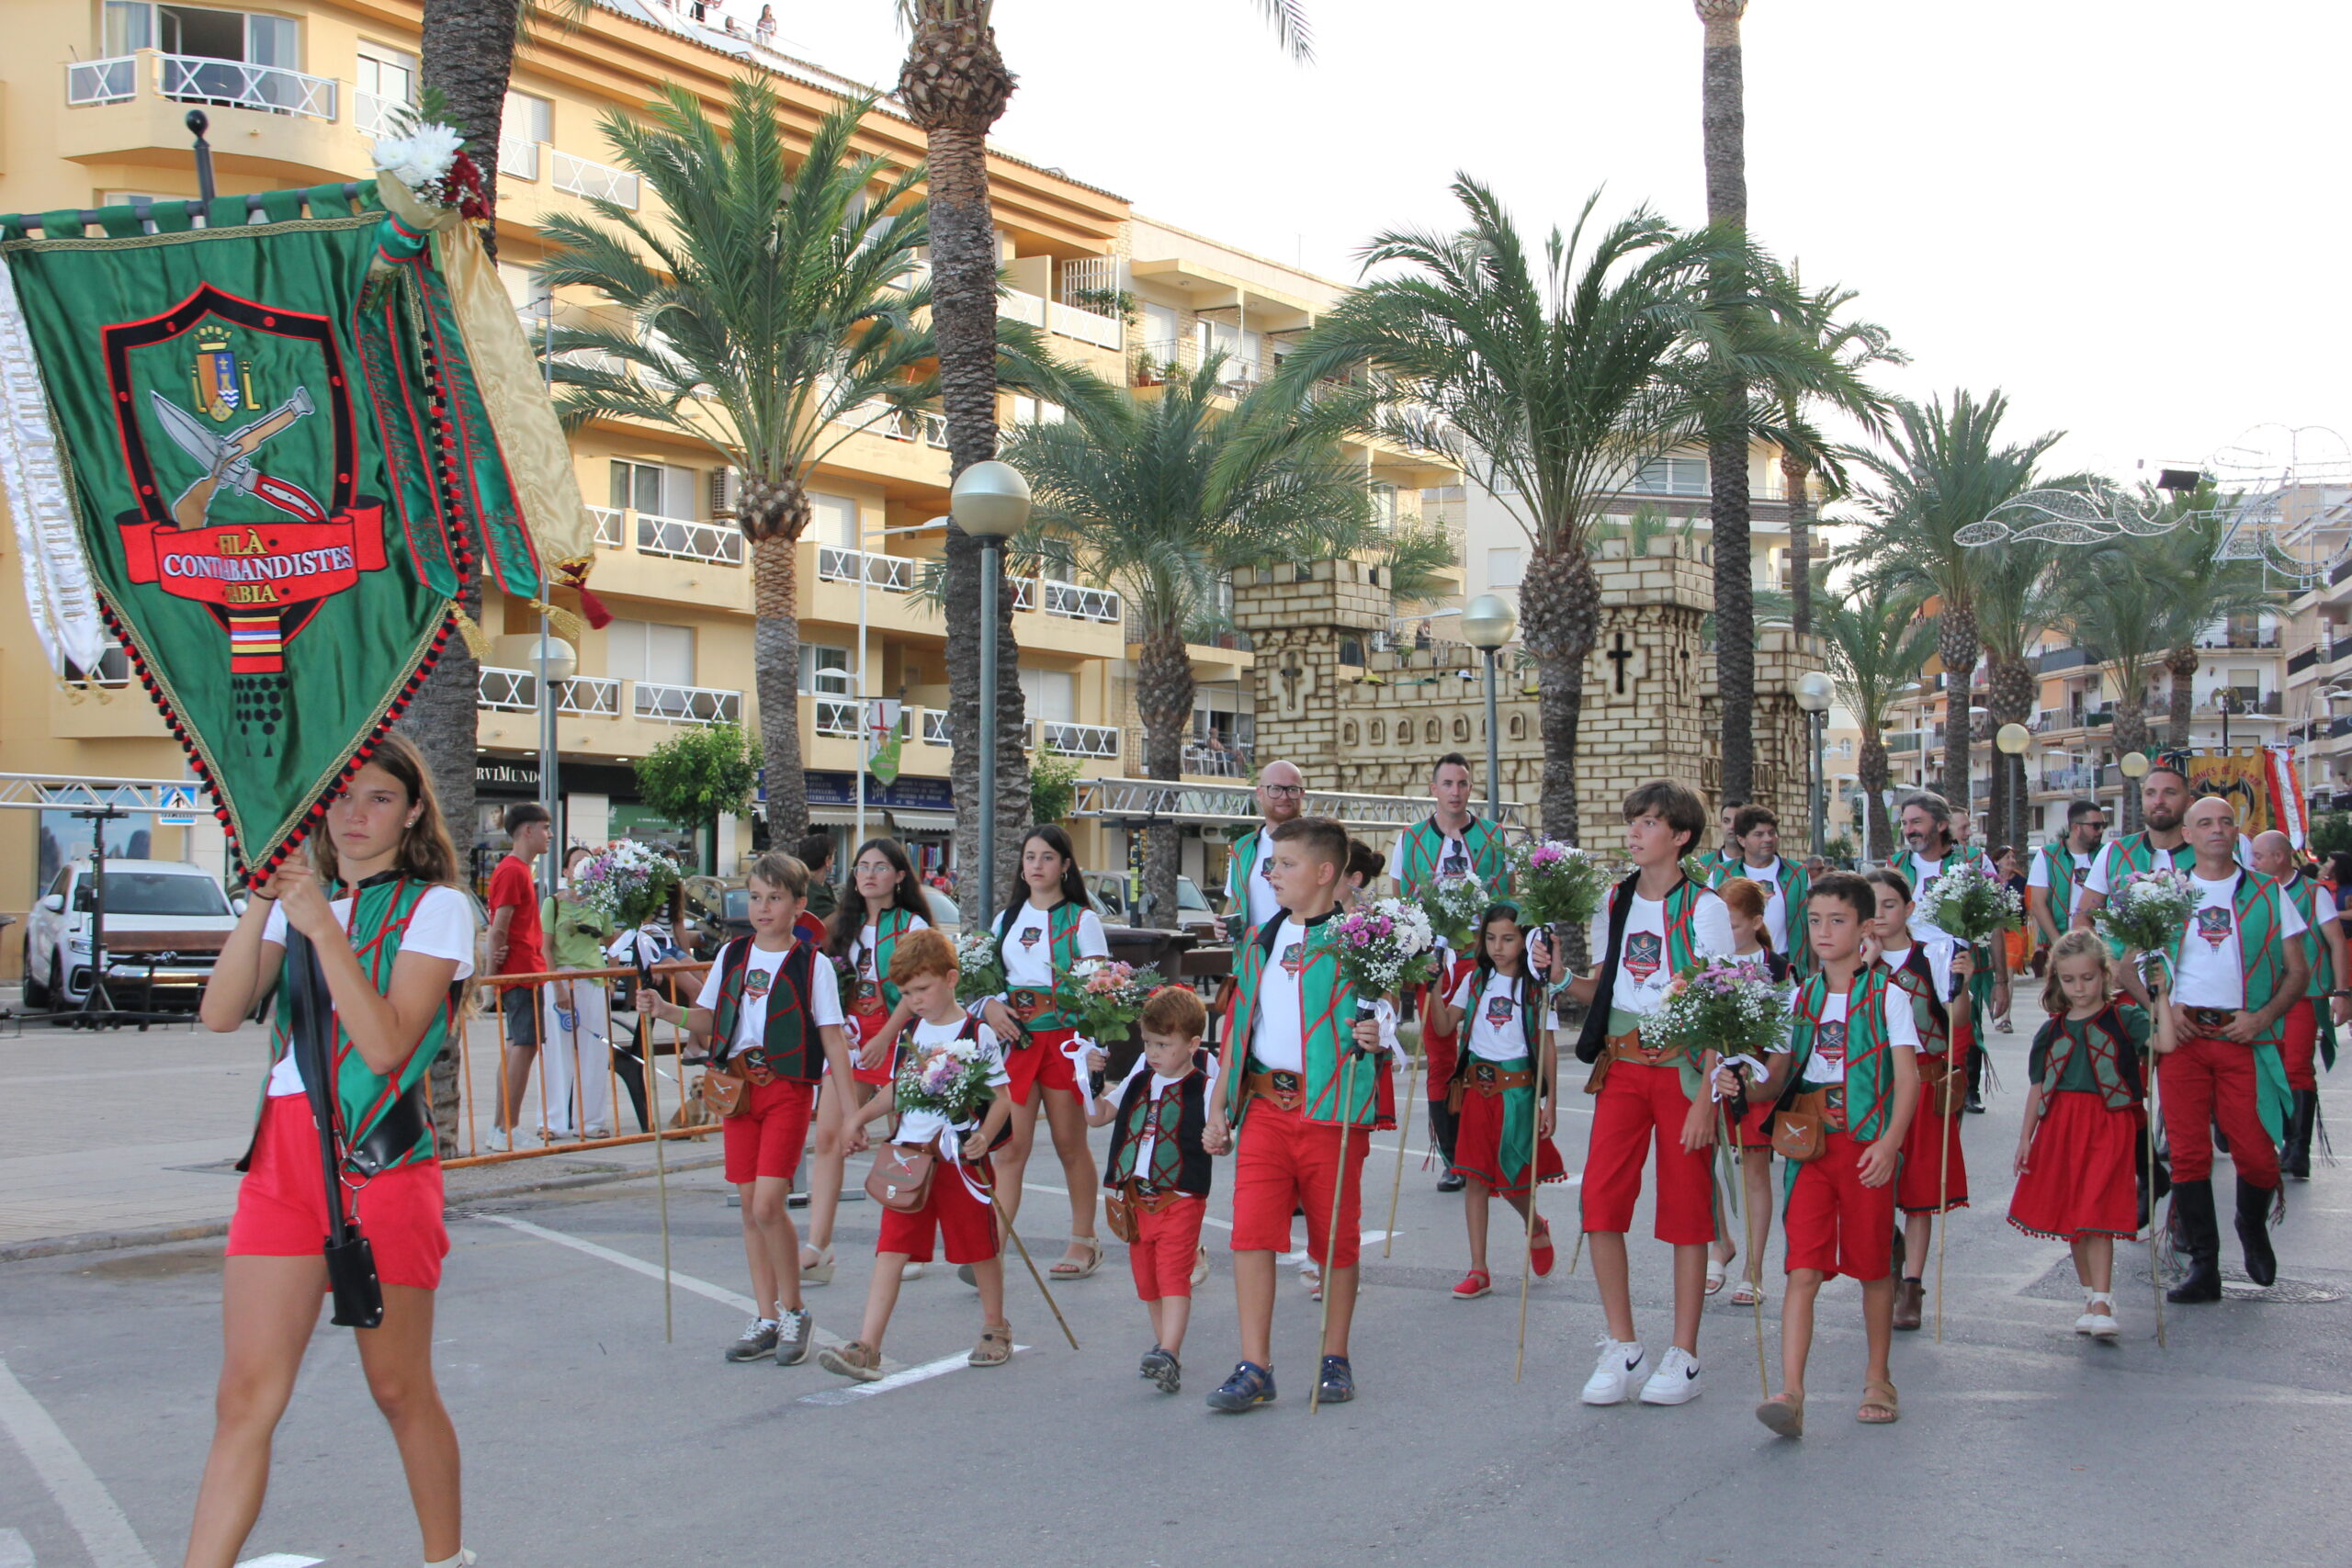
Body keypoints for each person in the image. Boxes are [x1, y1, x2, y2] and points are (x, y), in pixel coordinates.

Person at [189, 733, 478, 1568]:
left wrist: (323, 926)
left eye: (380, 797)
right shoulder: (293, 902)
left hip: (379, 1166)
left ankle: (446, 1559)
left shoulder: (436, 907)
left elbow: (387, 1045)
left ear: (414, 810)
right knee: (244, 1397)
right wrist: (263, 898)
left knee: (398, 1389)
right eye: (342, 795)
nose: (356, 814)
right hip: (280, 1167)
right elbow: (219, 1012)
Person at [1203, 816, 1388, 1412]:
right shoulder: (1259, 940)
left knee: (1335, 1239)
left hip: (1332, 1106)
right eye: (1271, 863)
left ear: (1324, 872)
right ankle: (1255, 1363)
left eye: (1285, 864)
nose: (1271, 873)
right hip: (1265, 1106)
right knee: (1252, 1235)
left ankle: (1335, 1356)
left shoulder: (1362, 940)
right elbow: (1239, 1028)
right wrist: (1218, 1108)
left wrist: (1379, 1029)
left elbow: (1386, 1015)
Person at [1561, 780, 1736, 1408]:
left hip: (1684, 1071)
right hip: (1623, 1067)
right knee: (1600, 1200)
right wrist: (1557, 974)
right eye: (1632, 821)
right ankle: (1623, 1342)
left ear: (1681, 835)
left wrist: (1705, 1099)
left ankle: (1683, 1352)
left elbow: (1723, 1005)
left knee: (1688, 1209)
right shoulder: (1614, 898)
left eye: (1649, 822)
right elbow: (1604, 988)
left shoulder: (1705, 907)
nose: (1634, 832)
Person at [643, 852, 854, 1366]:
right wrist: (664, 1008)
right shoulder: (733, 954)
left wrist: (850, 1112)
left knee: (767, 1204)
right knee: (747, 1207)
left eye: (775, 898)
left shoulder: (814, 964)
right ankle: (764, 1315)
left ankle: (795, 1311)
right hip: (737, 1087)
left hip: (785, 1087)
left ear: (798, 905)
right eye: (756, 897)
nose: (763, 908)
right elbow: (709, 1017)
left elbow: (830, 1036)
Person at [2116, 795, 2306, 1303]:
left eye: (2225, 821)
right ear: (2188, 833)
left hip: (2243, 1038)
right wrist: (2165, 1010)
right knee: (2188, 1155)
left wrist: (2262, 1017)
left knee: (2257, 1154)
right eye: (2205, 823)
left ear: (2236, 829)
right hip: (2184, 1042)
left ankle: (2252, 1227)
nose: (2217, 830)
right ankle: (2204, 1266)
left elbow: (2298, 971)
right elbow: (2124, 967)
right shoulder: (2163, 892)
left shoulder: (2266, 892)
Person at [1754, 874, 1924, 1438]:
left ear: (1864, 926)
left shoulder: (1888, 995)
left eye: (1839, 920)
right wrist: (1739, 1081)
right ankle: (1791, 1392)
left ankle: (1879, 1377)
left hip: (1865, 1149)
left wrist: (1889, 1143)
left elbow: (1907, 1079)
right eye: (1816, 920)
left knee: (1873, 1268)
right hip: (1809, 1150)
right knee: (1802, 1267)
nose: (1825, 932)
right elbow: (1775, 1075)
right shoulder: (1797, 997)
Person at [821, 928, 1018, 1379]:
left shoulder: (976, 1031)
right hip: (909, 1156)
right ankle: (867, 1345)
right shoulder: (910, 1028)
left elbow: (1002, 1097)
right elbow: (899, 1089)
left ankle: (994, 1326)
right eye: (907, 993)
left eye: (923, 989)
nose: (915, 1000)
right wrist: (859, 1118)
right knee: (890, 1249)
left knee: (978, 1247)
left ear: (951, 979)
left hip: (958, 1156)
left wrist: (985, 1137)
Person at [2010, 931, 2171, 1340]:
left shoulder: (2125, 1018)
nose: (2079, 988)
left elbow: (2165, 1042)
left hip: (2109, 1123)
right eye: (2069, 980)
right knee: (2075, 1219)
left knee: (2096, 1210)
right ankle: (2090, 1297)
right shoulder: (2052, 1030)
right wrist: (2026, 1137)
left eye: (2087, 978)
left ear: (2104, 974)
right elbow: (2038, 1085)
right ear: (2057, 981)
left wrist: (2161, 997)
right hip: (2060, 1126)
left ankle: (2102, 1298)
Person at [973, 825, 1112, 1280]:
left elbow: (1102, 990)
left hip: (1063, 1044)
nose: (1036, 866)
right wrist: (990, 1006)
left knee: (1070, 1144)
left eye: (1047, 857)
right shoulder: (1006, 919)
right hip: (1016, 1043)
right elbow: (982, 981)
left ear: (1066, 865)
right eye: (1030, 857)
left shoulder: (1081, 920)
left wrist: (1091, 1052)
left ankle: (1084, 1240)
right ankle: (991, 1246)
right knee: (1009, 1148)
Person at [802, 837, 932, 1286]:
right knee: (828, 1136)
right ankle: (819, 1246)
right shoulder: (841, 925)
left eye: (880, 866)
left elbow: (918, 988)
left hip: (902, 1037)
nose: (869, 874)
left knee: (907, 1144)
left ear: (899, 876)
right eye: (862, 867)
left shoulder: (912, 924)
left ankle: (910, 1242)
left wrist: (888, 1035)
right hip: (851, 1038)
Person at [1389, 751, 1513, 1193]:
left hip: (1482, 959)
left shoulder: (1495, 837)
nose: (1456, 792)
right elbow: (1401, 904)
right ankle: (1453, 1156)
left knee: (1486, 1054)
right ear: (1433, 789)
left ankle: (1490, 1150)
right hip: (1433, 963)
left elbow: (1508, 903)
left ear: (1470, 788)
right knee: (1441, 1058)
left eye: (1462, 784)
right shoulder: (1411, 838)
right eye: (1448, 784)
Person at [1086, 986, 1218, 1393]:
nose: (1154, 1052)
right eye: (1148, 1042)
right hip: (1135, 1198)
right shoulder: (1139, 1078)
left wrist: (1220, 1137)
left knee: (1172, 1274)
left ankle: (1170, 1351)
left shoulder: (1205, 1085)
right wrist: (1087, 1077)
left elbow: (1221, 1135)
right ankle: (1164, 1351)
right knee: (1148, 1281)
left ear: (1193, 1044)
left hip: (1180, 1196)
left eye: (1164, 1044)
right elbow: (1098, 1117)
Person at [1429, 903, 1563, 1301]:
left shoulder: (1536, 986)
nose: (1498, 947)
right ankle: (1479, 1268)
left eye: (1508, 938)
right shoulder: (1475, 981)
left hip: (1517, 1091)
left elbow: (1550, 1046)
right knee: (1473, 1177)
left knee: (1512, 1180)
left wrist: (1550, 1101)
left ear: (1524, 940)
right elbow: (1443, 1026)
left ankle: (1534, 1224)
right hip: (1475, 1090)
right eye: (1490, 939)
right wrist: (1434, 986)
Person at [1863, 867, 1967, 1333]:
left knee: (1921, 1195)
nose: (1880, 915)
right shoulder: (1856, 959)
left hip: (1924, 1087)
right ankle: (1886, 1254)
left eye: (1890, 905)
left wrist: (1963, 983)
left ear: (1908, 909)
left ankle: (1912, 1285)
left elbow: (1956, 1019)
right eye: (1872, 906)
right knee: (1875, 1184)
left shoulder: (1934, 956)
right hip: (1876, 1091)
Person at [1894, 791, 2008, 1112]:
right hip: (1910, 968)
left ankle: (1960, 1097)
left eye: (1917, 821)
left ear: (1942, 824)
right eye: (1905, 823)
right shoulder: (1897, 864)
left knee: (1960, 1039)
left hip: (1958, 966)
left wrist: (2001, 982)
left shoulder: (1974, 860)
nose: (1909, 830)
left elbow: (1995, 922)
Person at [1707, 876, 1792, 1306]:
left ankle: (1753, 1269)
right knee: (1700, 1161)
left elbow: (1785, 1037)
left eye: (1734, 924)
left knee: (1754, 1170)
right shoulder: (1708, 961)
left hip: (1756, 1076)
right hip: (1712, 1073)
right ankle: (1722, 1240)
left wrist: (1758, 1084)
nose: (1727, 933)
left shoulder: (1777, 968)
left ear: (1756, 921)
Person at [2251, 830, 2345, 1180]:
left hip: (2304, 994)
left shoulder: (2313, 893)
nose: (2252, 863)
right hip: (2262, 996)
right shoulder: (2252, 892)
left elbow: (2335, 942)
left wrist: (2343, 993)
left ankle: (2298, 1148)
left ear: (2279, 857)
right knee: (2263, 1069)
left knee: (2296, 1067)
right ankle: (2276, 1141)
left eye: (2258, 857)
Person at [484, 801, 550, 1153]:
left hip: (525, 971)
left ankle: (503, 1127)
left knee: (517, 1049)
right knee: (522, 1049)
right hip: (522, 973)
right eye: (545, 828)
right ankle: (505, 1127)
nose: (549, 835)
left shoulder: (517, 869)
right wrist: (489, 980)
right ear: (527, 830)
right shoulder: (513, 870)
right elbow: (499, 928)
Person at [539, 844, 617, 1141]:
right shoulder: (554, 904)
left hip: (593, 981)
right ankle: (554, 1121)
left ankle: (591, 1122)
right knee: (558, 1053)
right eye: (576, 863)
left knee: (594, 1053)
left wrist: (611, 978)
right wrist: (557, 986)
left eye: (587, 863)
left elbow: (612, 942)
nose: (582, 868)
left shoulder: (600, 904)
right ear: (565, 871)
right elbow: (545, 947)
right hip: (562, 979)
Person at [2073, 764, 2198, 931]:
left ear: (2189, 803)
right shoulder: (2114, 852)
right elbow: (2082, 919)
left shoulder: (2206, 854)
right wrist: (2110, 956)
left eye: (2169, 793)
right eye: (2150, 793)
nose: (2158, 801)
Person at [1705, 805, 1812, 976]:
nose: (1768, 839)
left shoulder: (1798, 874)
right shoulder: (1720, 874)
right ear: (1742, 840)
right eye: (1759, 834)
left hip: (1786, 967)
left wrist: (1811, 972)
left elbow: (1810, 924)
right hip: (1733, 969)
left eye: (1772, 833)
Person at [1224, 759, 1306, 945]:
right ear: (1259, 793)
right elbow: (1233, 902)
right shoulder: (1241, 849)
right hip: (1252, 959)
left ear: (1302, 794)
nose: (1284, 797)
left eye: (1292, 789)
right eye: (1275, 788)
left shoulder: (1317, 844)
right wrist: (1222, 925)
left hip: (1301, 956)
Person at [2028, 801, 2108, 964]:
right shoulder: (2047, 856)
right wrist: (2058, 943)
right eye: (2096, 826)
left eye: (2103, 825)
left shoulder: (2107, 854)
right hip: (2057, 942)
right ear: (2077, 828)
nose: (2101, 831)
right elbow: (2037, 903)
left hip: (2099, 945)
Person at [795, 831, 837, 942]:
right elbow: (827, 927)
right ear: (827, 861)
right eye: (833, 856)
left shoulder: (819, 886)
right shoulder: (811, 890)